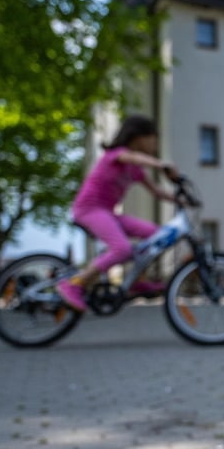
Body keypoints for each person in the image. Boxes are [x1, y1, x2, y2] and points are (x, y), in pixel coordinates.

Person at [56, 115, 179, 312]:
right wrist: (161, 164)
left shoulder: (136, 170)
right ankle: (75, 283)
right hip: (89, 209)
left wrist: (180, 199)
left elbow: (156, 192)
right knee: (122, 249)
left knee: (158, 234)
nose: (155, 145)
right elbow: (133, 157)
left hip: (108, 213)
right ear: (139, 138)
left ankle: (138, 280)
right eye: (153, 139)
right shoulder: (117, 154)